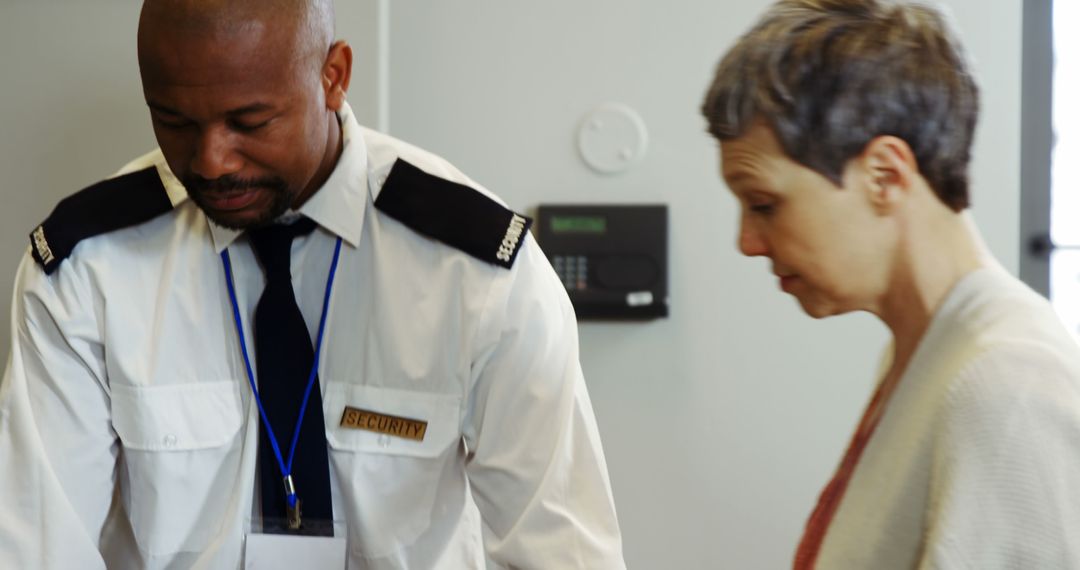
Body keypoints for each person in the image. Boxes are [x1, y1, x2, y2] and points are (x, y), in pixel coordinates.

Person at [0, 0, 625, 568]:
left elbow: (562, 550)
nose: (212, 159)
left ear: (334, 75)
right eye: (175, 123)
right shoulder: (85, 272)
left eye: (250, 121)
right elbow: (39, 545)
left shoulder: (476, 273)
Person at [701, 0, 1080, 568]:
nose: (748, 242)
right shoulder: (928, 355)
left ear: (885, 175)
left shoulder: (1002, 383)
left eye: (764, 204)